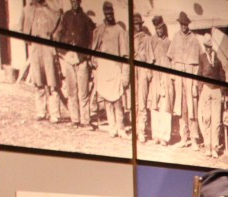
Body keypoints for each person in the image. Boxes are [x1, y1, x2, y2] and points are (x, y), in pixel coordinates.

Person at [53, 0, 94, 129]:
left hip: (82, 59)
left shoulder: (86, 19)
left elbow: (92, 39)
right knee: (72, 91)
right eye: (72, 1)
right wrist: (62, 50)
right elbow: (58, 34)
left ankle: (85, 120)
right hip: (68, 58)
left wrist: (87, 55)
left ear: (80, 2)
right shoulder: (66, 16)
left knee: (83, 92)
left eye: (76, 1)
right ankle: (75, 119)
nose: (74, 3)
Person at [91, 1, 129, 138]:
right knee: (107, 100)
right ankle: (112, 128)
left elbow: (125, 55)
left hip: (115, 67)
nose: (109, 16)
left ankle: (121, 128)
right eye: (106, 13)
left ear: (113, 13)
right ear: (104, 14)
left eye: (111, 13)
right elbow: (94, 51)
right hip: (104, 68)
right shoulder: (99, 30)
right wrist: (95, 62)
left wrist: (125, 74)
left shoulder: (120, 31)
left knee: (118, 100)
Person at [20, 0, 61, 123]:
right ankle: (41, 111)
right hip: (35, 48)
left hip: (48, 47)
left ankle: (54, 113)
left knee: (52, 82)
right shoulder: (27, 9)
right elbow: (21, 27)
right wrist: (27, 38)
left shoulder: (52, 8)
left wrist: (54, 37)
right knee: (38, 82)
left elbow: (59, 25)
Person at [168, 11, 201, 148]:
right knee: (181, 108)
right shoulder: (176, 37)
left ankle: (194, 139)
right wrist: (174, 75)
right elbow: (171, 59)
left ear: (188, 25)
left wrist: (194, 83)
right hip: (179, 77)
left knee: (192, 107)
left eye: (185, 24)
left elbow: (198, 64)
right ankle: (184, 137)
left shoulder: (194, 39)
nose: (184, 27)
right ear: (179, 24)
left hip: (190, 76)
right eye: (182, 24)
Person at [197, 34, 225, 158]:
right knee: (206, 119)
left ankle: (214, 148)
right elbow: (199, 74)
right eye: (206, 46)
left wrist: (222, 90)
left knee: (216, 120)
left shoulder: (217, 59)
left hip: (216, 90)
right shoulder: (202, 58)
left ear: (212, 46)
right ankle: (207, 146)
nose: (207, 49)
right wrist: (199, 88)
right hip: (206, 89)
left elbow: (222, 75)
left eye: (209, 46)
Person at [149, 15, 173, 145]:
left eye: (161, 28)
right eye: (157, 28)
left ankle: (164, 137)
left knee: (165, 106)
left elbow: (172, 61)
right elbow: (149, 59)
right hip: (155, 77)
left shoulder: (169, 42)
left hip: (166, 78)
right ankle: (156, 135)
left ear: (163, 27)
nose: (159, 30)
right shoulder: (152, 41)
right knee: (155, 106)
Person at [132, 12, 154, 143]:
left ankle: (141, 130)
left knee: (142, 100)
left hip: (143, 70)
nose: (138, 26)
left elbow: (150, 58)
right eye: (136, 24)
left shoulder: (147, 39)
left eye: (139, 24)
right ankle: (134, 128)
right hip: (133, 70)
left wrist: (148, 72)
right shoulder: (130, 39)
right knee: (133, 100)